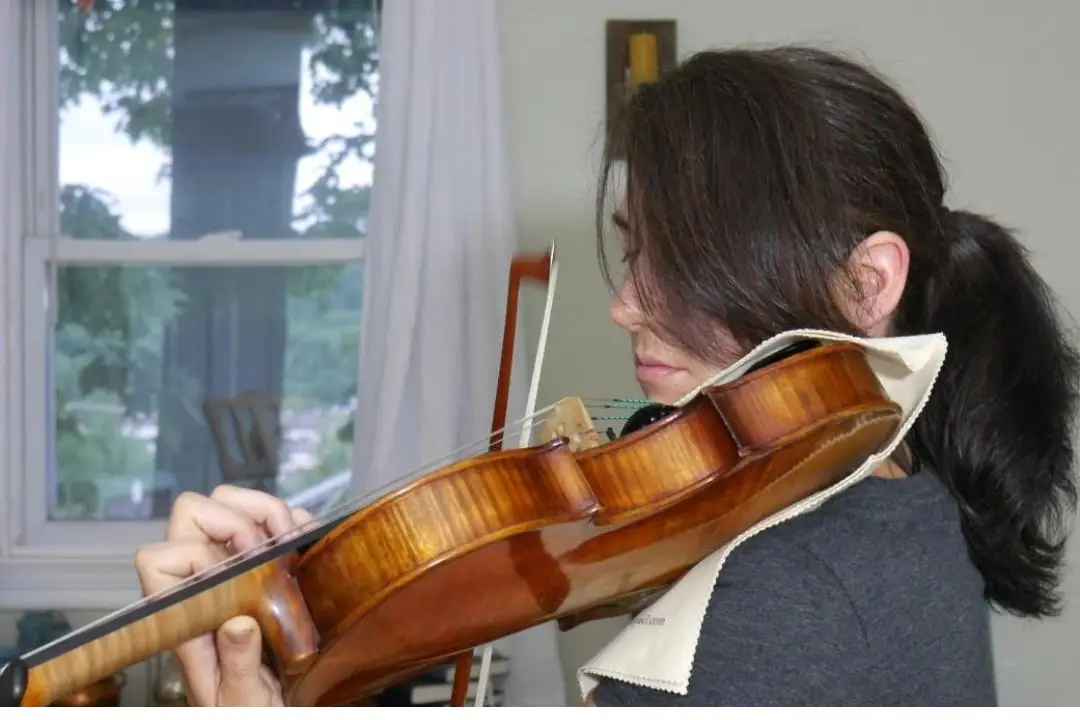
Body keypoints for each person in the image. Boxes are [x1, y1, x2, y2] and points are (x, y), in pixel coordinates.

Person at [134, 45, 1080, 706]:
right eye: (635, 255)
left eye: (688, 263)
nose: (626, 306)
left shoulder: (793, 589)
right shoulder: (895, 512)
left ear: (866, 281)